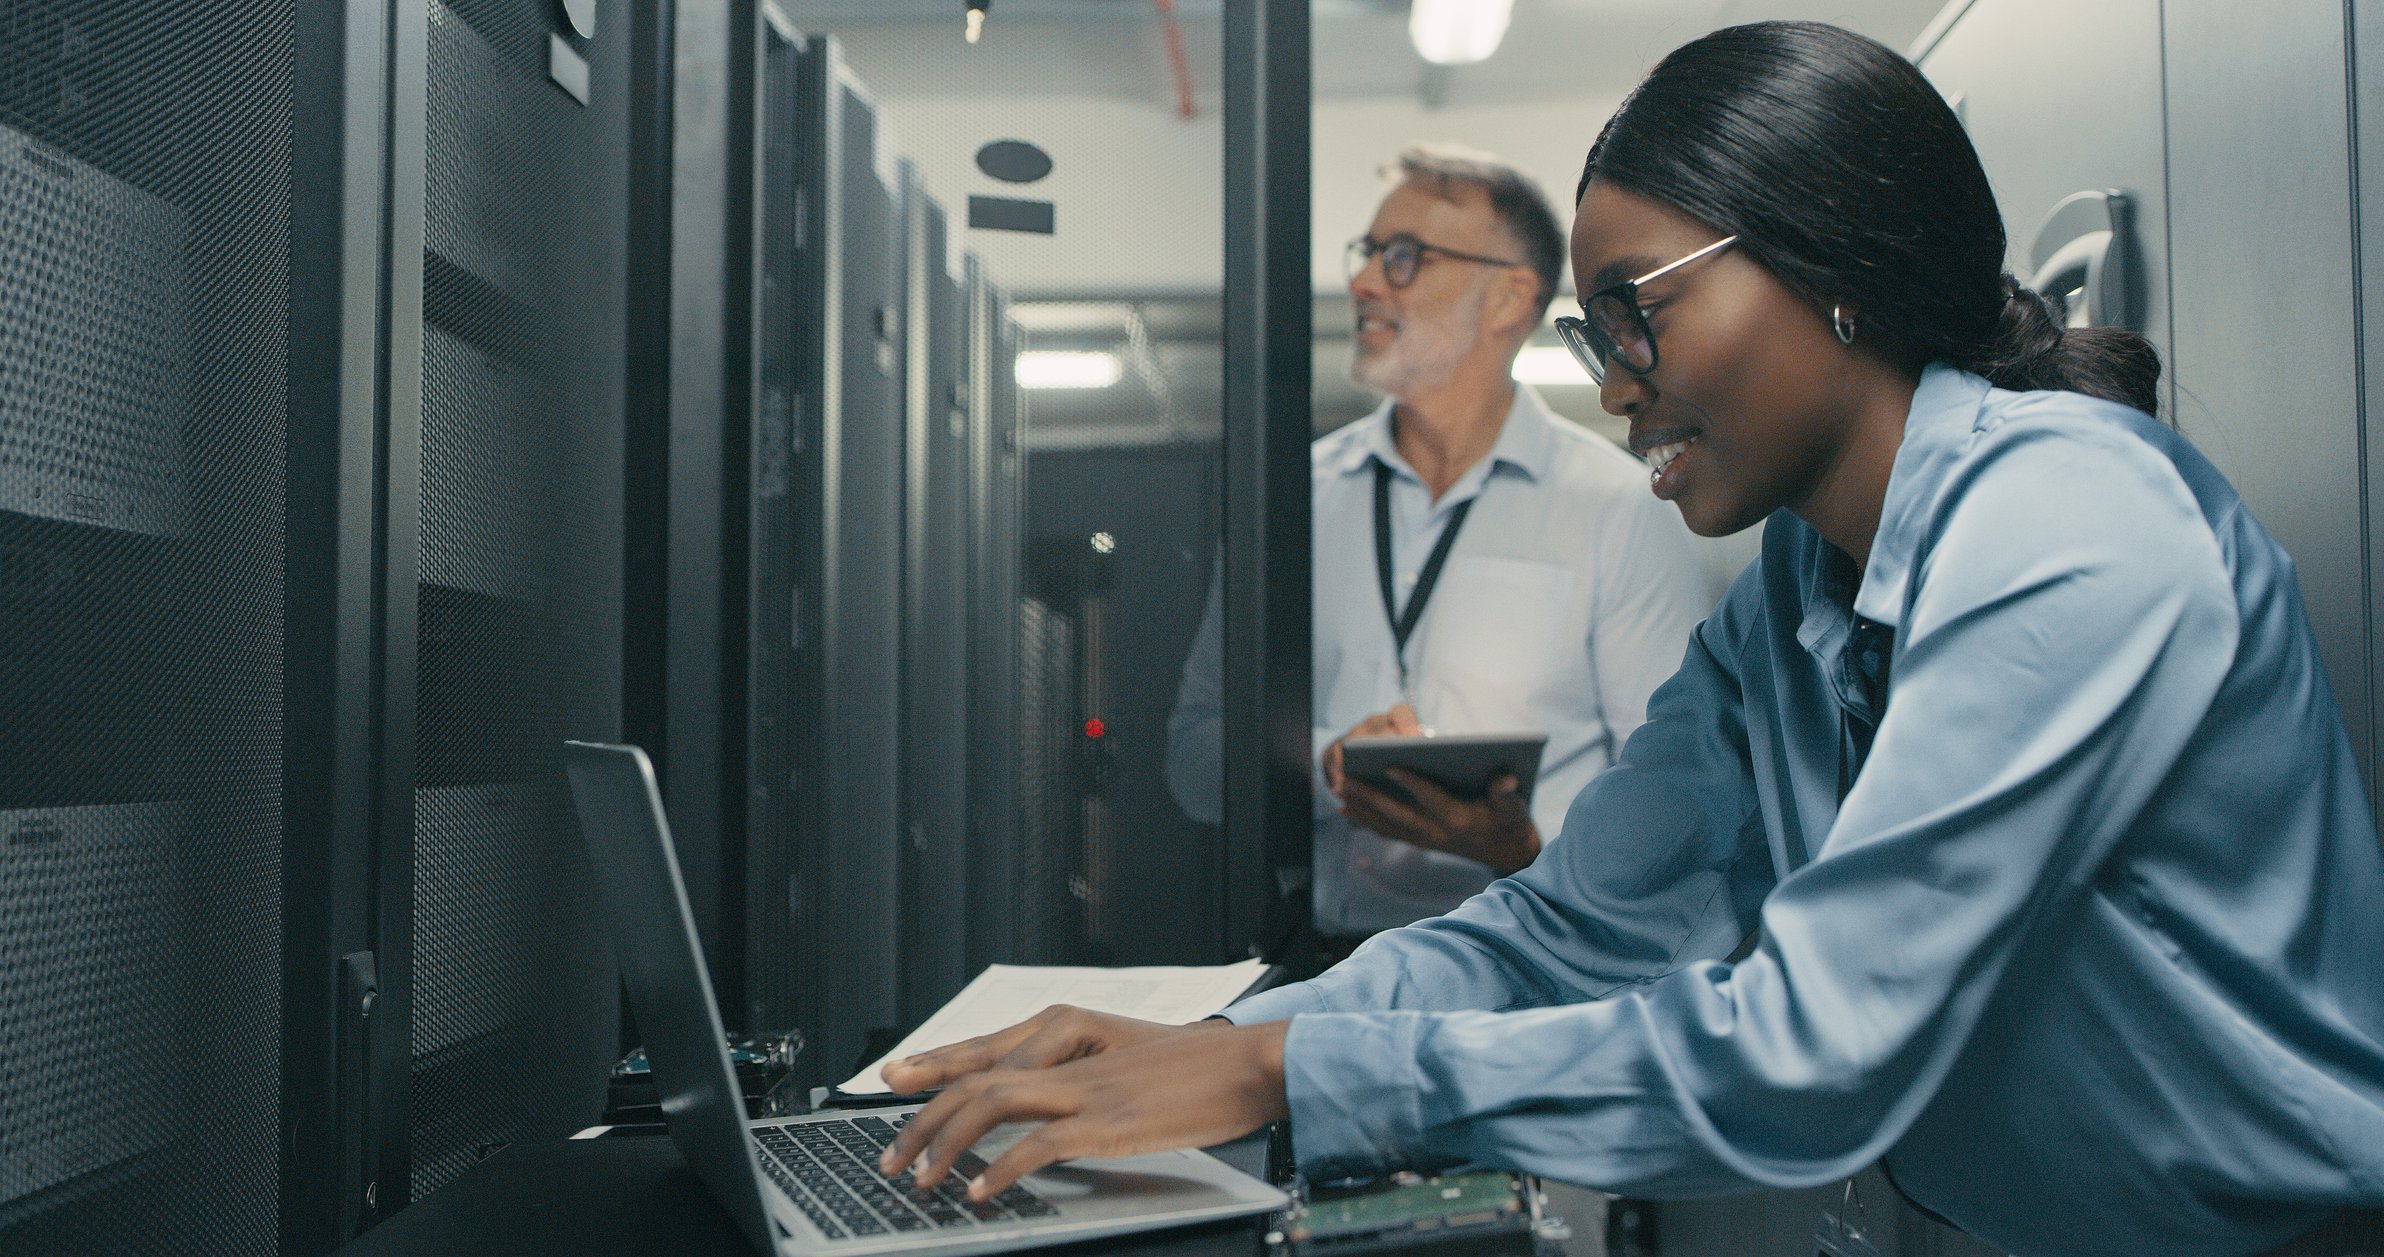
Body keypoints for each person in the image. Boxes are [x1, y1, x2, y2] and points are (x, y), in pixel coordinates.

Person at [879, 22, 2384, 1257]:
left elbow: (1820, 1044)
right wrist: (1202, 1040)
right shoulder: (1787, 600)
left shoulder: (2070, 518)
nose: (1614, 385)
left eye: (1634, 313)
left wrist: (1277, 1067)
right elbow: (1566, 928)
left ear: (1832, 263)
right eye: (1594, 338)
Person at [1165, 143, 1713, 942]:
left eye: (1403, 258)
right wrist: (1325, 765)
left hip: (1533, 972)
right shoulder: (1288, 501)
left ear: (1507, 300)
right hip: (1318, 969)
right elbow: (1190, 756)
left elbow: (1671, 802)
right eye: (1369, 255)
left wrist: (1521, 851)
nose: (1361, 283)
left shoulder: (1617, 508)